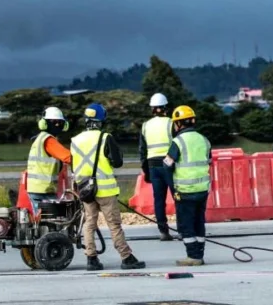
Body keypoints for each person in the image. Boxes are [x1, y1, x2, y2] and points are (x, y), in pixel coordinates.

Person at [69, 103, 146, 271]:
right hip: (106, 190)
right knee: (114, 225)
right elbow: (117, 162)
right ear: (102, 120)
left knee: (90, 223)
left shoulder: (75, 140)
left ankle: (91, 258)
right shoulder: (105, 138)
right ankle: (126, 257)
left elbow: (73, 166)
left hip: (85, 190)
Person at [162, 105, 211, 266]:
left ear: (178, 124)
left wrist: (173, 189)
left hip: (185, 190)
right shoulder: (204, 140)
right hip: (202, 189)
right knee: (199, 222)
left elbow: (167, 166)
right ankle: (199, 253)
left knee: (186, 224)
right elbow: (208, 161)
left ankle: (193, 256)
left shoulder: (178, 141)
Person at [139, 92, 174, 241]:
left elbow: (142, 150)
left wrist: (146, 170)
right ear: (165, 107)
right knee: (178, 197)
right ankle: (186, 229)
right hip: (169, 163)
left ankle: (163, 231)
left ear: (152, 109)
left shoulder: (145, 126)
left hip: (153, 165)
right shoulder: (171, 123)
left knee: (159, 199)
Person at [26, 106, 72, 215]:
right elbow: (68, 157)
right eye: (54, 122)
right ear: (44, 124)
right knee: (52, 223)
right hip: (43, 190)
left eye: (59, 122)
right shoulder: (48, 140)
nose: (57, 125)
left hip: (37, 188)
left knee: (41, 223)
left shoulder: (40, 139)